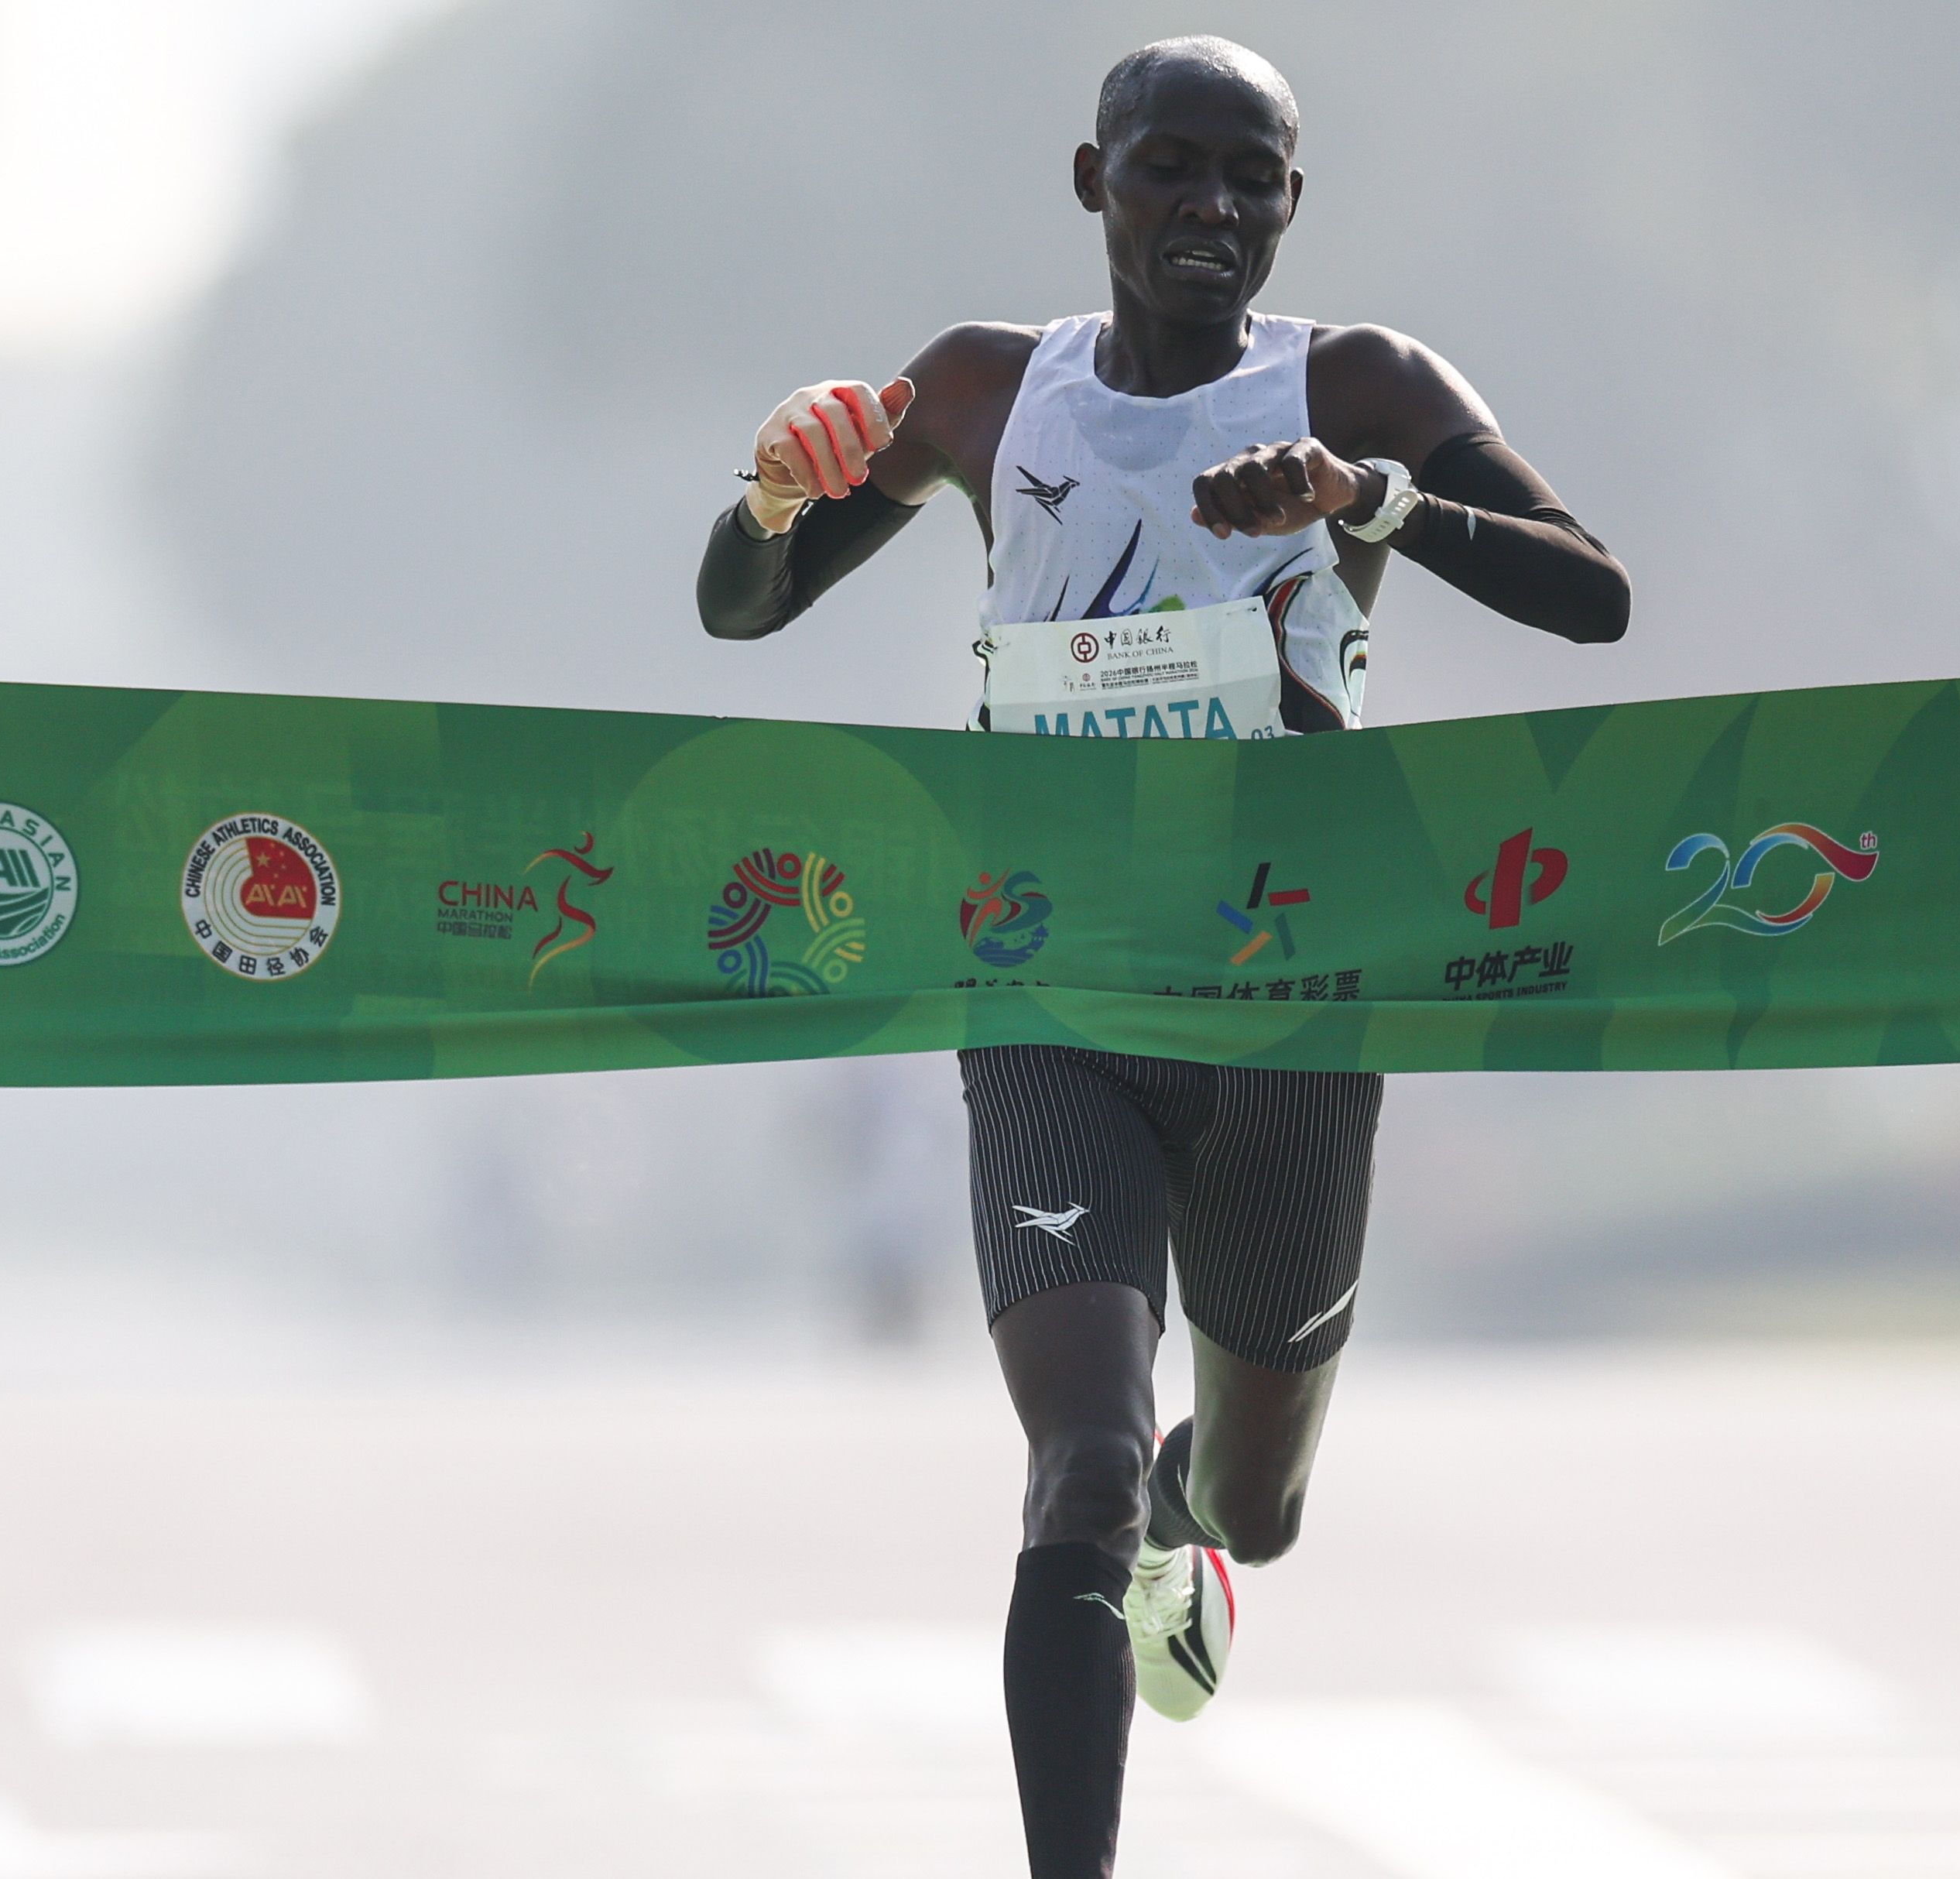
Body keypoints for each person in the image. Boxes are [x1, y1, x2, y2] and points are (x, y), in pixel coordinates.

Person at [693, 37, 1628, 1876]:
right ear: (1090, 181)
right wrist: (773, 496)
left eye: (1249, 179)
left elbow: (1588, 590)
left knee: (1245, 1505)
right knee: (1083, 1462)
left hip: (1289, 1011)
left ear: (1293, 201)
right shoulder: (984, 390)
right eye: (1168, 167)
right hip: (1054, 996)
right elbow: (743, 606)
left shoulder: (1358, 382)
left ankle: (1200, 1514)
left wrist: (1370, 501)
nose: (1211, 207)